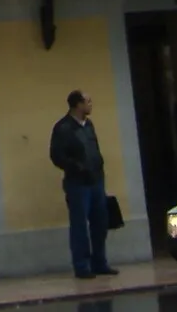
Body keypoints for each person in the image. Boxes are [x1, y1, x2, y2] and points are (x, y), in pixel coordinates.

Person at [50, 90, 114, 278]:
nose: (91, 104)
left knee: (100, 223)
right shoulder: (63, 128)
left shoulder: (89, 125)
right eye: (88, 101)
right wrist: (76, 167)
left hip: (96, 180)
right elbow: (56, 155)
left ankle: (100, 262)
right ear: (77, 105)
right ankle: (82, 266)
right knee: (79, 225)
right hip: (78, 183)